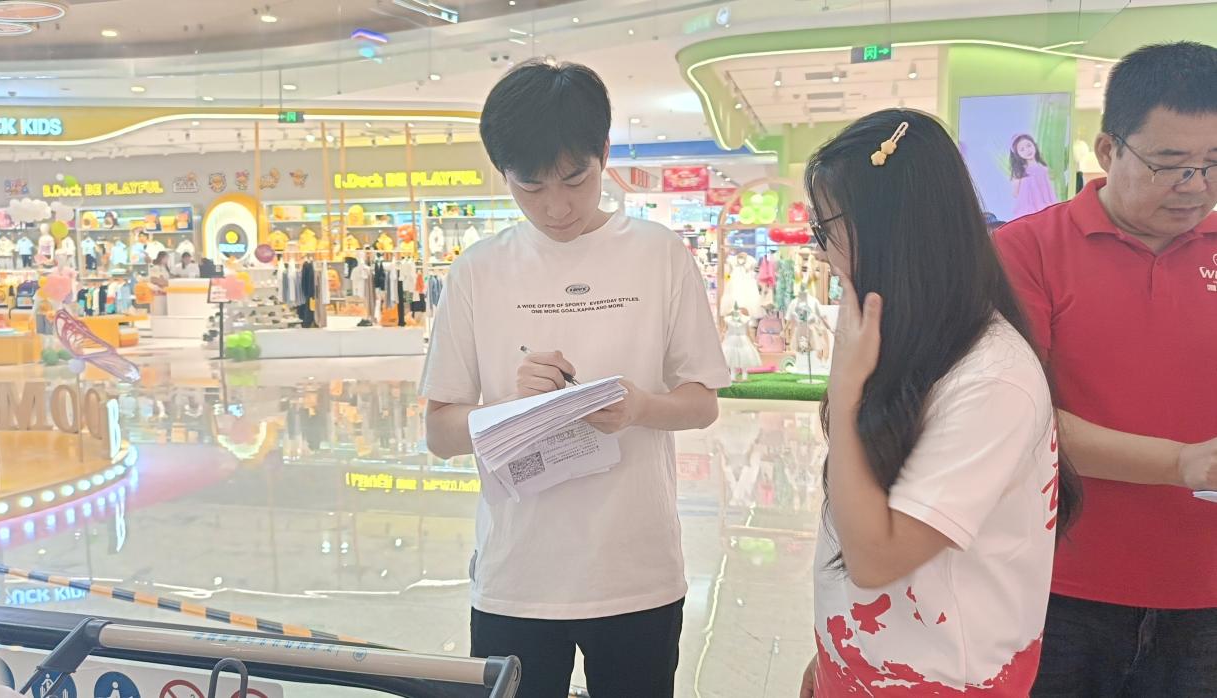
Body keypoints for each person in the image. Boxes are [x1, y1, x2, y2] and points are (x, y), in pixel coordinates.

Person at [421, 59, 730, 698]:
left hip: (636, 573)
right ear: (502, 172)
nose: (556, 207)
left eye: (575, 179)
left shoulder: (658, 255)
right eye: (530, 186)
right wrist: (512, 409)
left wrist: (640, 407)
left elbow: (702, 403)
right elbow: (440, 433)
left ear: (604, 154)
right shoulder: (478, 270)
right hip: (517, 579)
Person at [797, 109, 1080, 697]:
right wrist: (829, 657)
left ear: (890, 231)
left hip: (943, 680)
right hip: (870, 667)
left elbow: (876, 559)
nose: (822, 253)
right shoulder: (913, 343)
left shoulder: (992, 377)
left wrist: (845, 396)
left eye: (826, 230)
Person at [994, 41, 1217, 697]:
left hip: (1205, 595)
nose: (1196, 186)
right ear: (1107, 150)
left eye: (1214, 164)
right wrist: (1183, 463)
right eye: (1170, 165)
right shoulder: (1026, 251)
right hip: (1059, 588)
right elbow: (1013, 420)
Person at [1009, 134, 1058, 220]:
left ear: (1034, 145)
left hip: (1046, 207)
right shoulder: (1020, 172)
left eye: (1029, 145)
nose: (1027, 150)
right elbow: (1015, 193)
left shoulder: (1043, 169)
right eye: (1022, 149)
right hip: (1028, 211)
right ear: (1018, 154)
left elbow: (1049, 190)